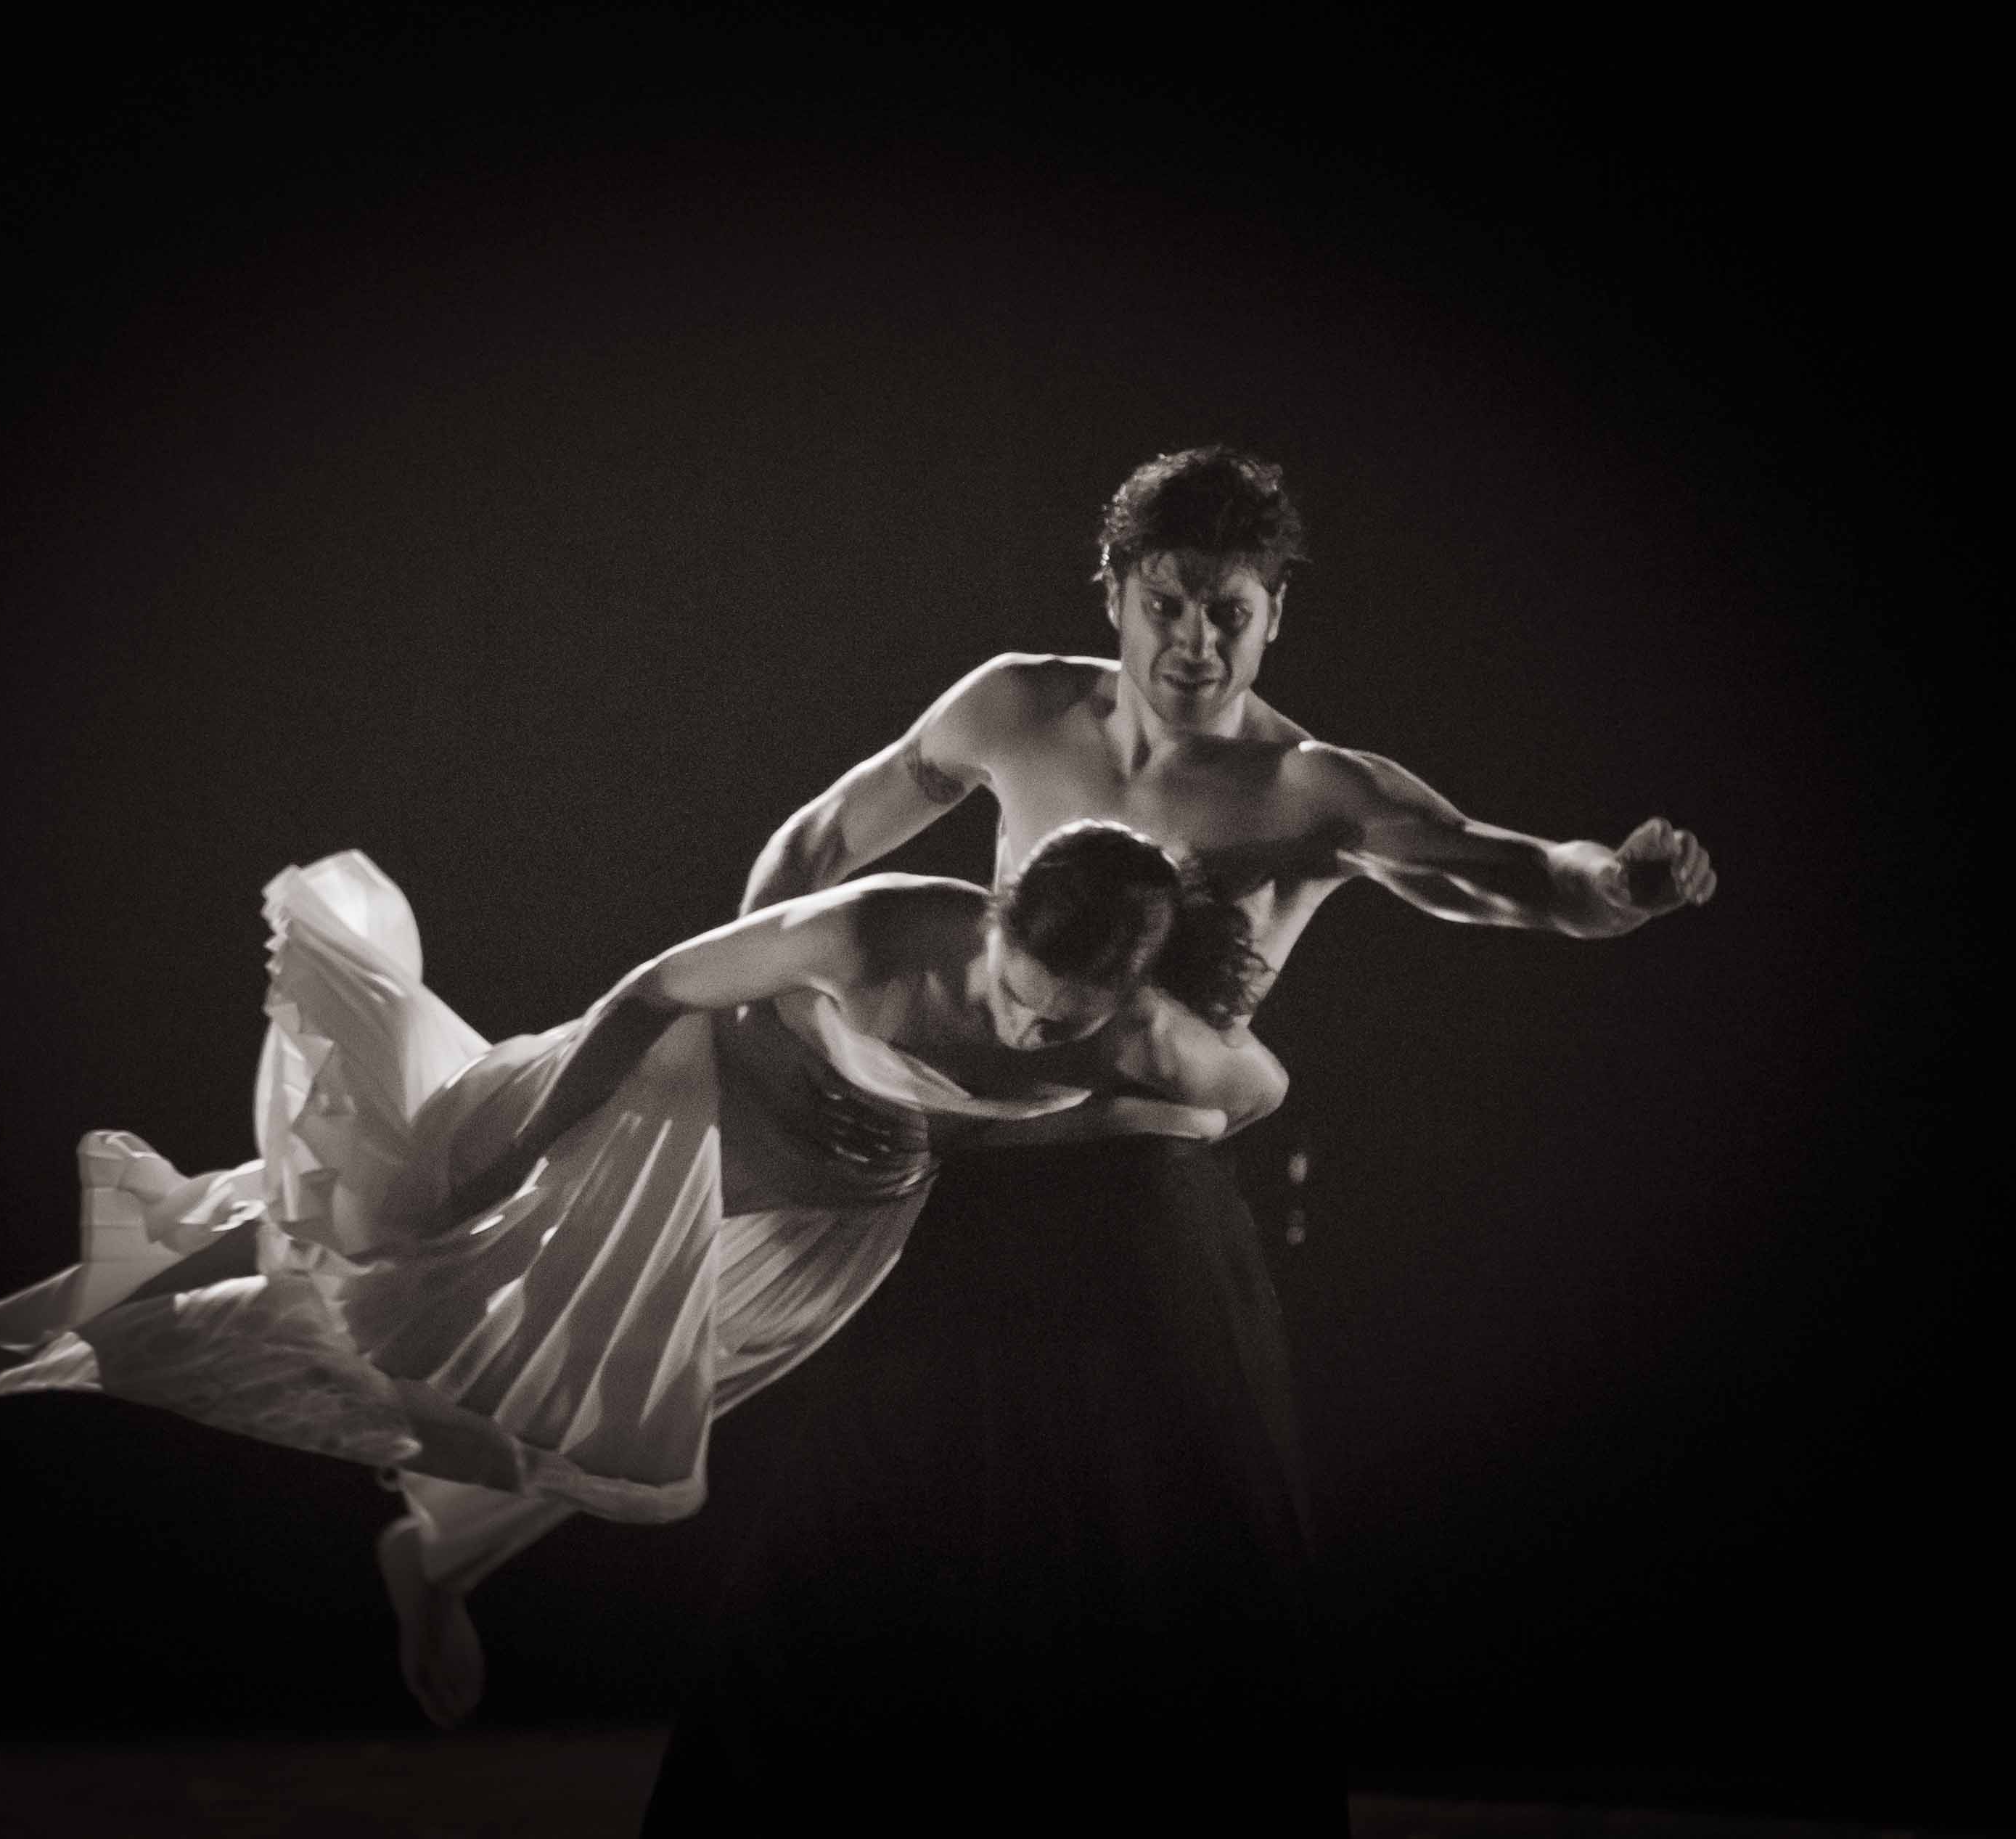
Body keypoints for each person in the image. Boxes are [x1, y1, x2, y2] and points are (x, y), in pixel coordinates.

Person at [642, 446, 1716, 1830]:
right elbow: (812, 849)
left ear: (1277, 615)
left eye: (1231, 608)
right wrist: (788, 1043)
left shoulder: (1311, 789)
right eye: (1167, 602)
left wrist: (1616, 879)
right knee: (854, 1564)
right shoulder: (1015, 706)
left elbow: (1514, 881)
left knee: (1190, 1593)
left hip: (1148, 1217)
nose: (1195, 640)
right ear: (1115, 592)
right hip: (962, 1201)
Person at [0, 820, 1273, 1727]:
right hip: (645, 1120)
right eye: (1015, 993)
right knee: (359, 1236)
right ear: (997, 910)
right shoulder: (879, 925)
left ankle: (430, 1559)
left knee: (606, 1415)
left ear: (1126, 1000)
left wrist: (1069, 1108)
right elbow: (651, 991)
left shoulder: (1146, 1036)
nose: (1027, 1030)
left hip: (817, 1225)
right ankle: (4, 1347)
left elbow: (1241, 1093)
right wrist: (519, 1151)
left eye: (1063, 1021)